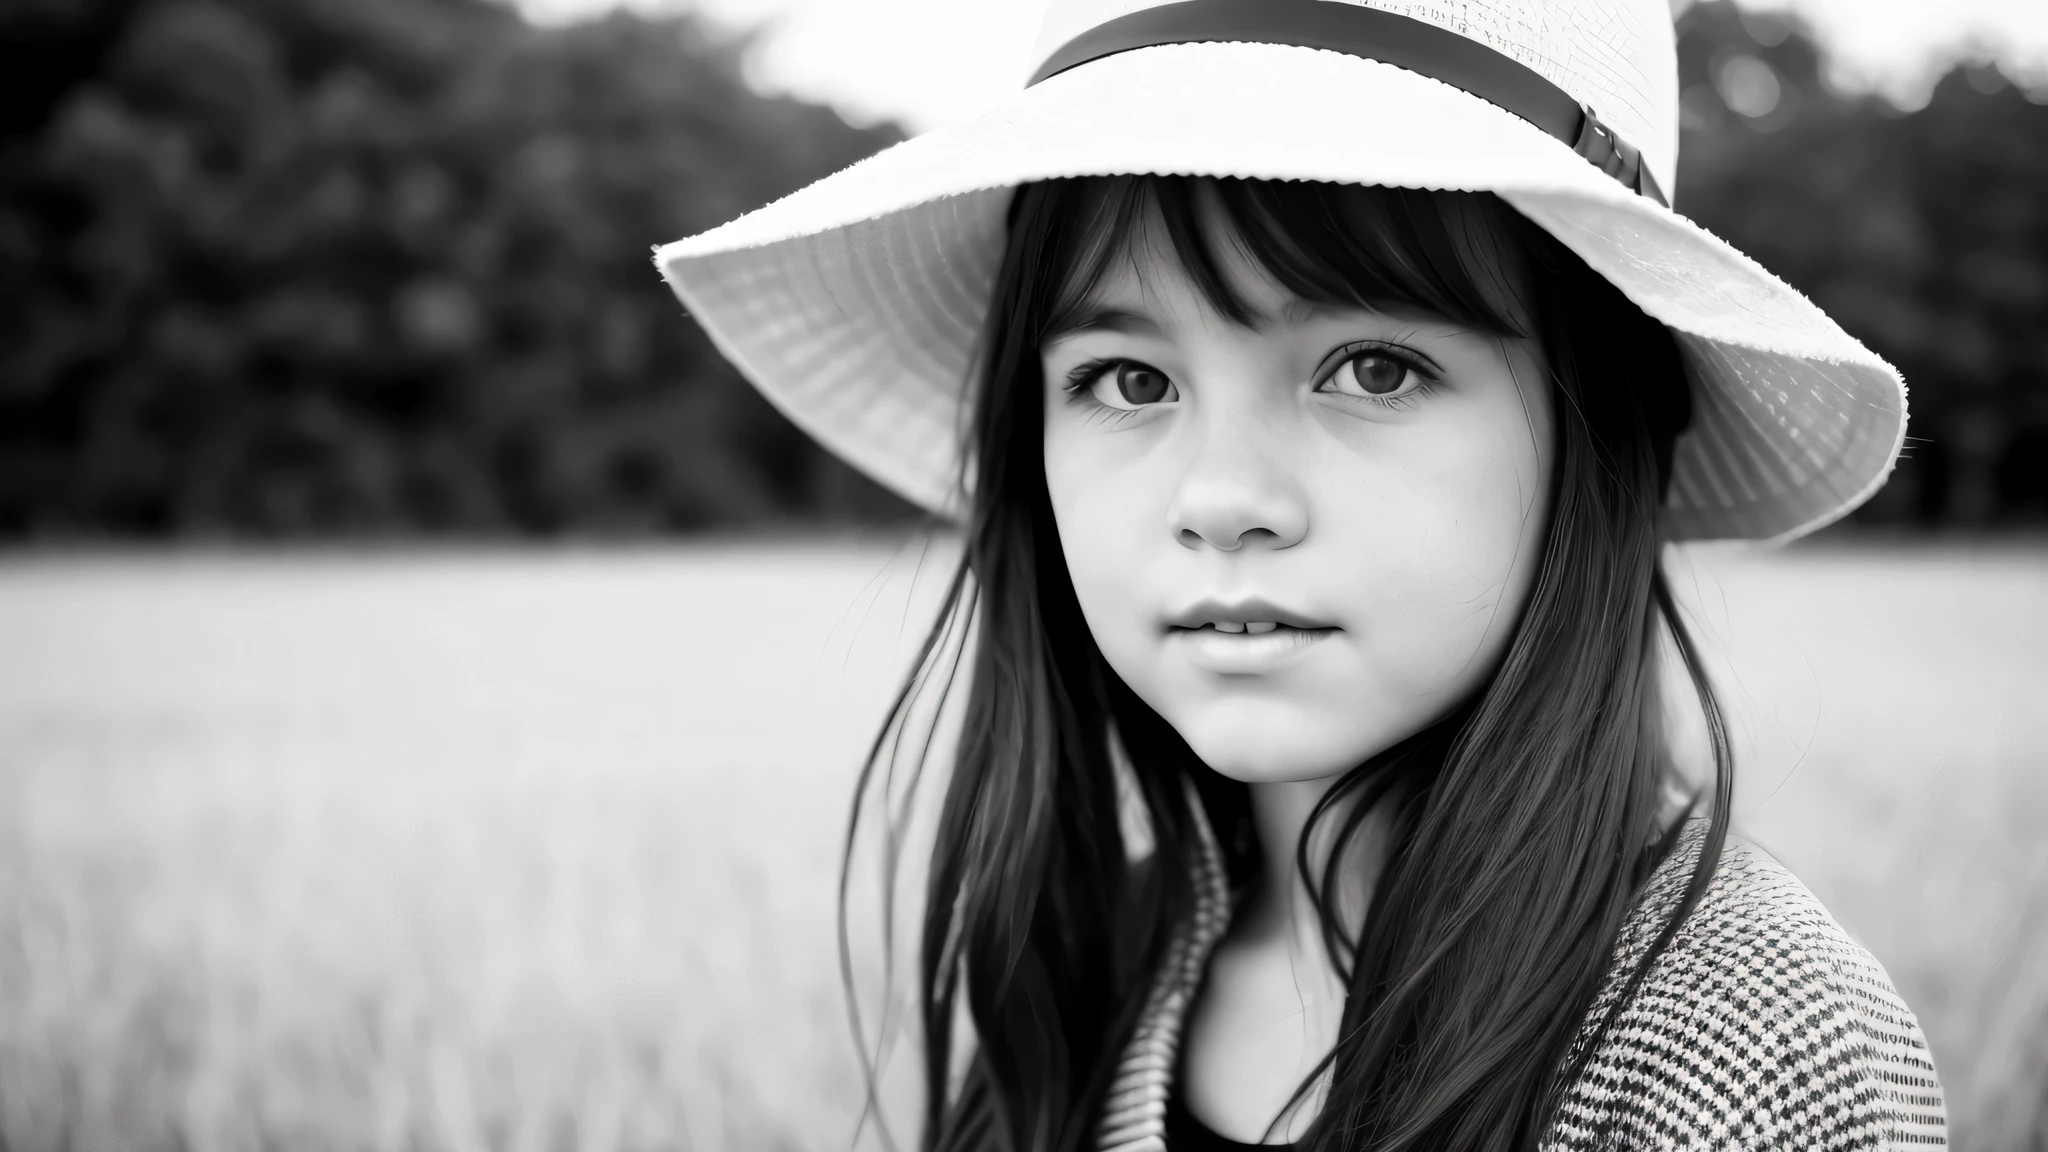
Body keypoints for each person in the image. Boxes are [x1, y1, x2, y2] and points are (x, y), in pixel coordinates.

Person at [656, 1, 1948, 1148]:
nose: (1222, 500)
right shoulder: (1075, 973)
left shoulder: (1758, 1053)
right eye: (1129, 380)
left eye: (1373, 368)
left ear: (1601, 423)